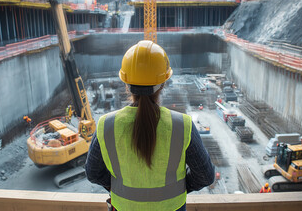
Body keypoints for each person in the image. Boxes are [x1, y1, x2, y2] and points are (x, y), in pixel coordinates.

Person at [86, 40, 215, 211]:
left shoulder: (106, 125)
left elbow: (93, 172)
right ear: (163, 83)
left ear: (126, 84)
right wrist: (180, 187)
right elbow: (205, 176)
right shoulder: (182, 126)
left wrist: (117, 189)